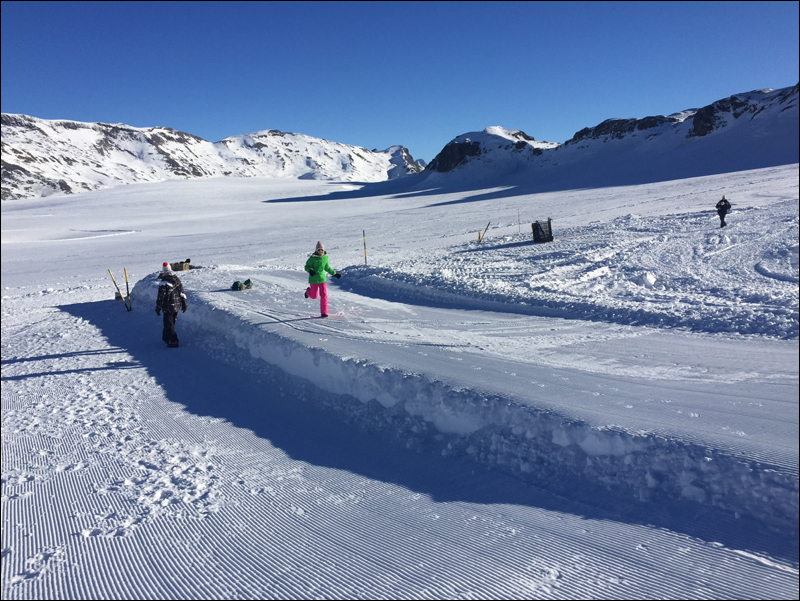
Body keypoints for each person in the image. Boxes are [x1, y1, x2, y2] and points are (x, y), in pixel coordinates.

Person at [304, 241, 341, 318]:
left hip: (322, 279)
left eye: (322, 250)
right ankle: (308, 291)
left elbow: (327, 268)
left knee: (324, 295)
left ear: (324, 250)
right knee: (314, 296)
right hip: (314, 279)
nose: (320, 251)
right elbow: (307, 267)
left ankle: (324, 312)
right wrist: (310, 270)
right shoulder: (312, 258)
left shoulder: (325, 258)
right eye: (319, 250)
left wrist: (334, 274)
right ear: (316, 251)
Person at [155, 262, 187, 347]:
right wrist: (184, 302)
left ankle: (174, 341)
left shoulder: (164, 283)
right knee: (171, 322)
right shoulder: (176, 279)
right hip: (177, 305)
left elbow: (161, 297)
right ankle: (166, 337)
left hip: (168, 307)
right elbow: (182, 292)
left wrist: (158, 307)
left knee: (168, 324)